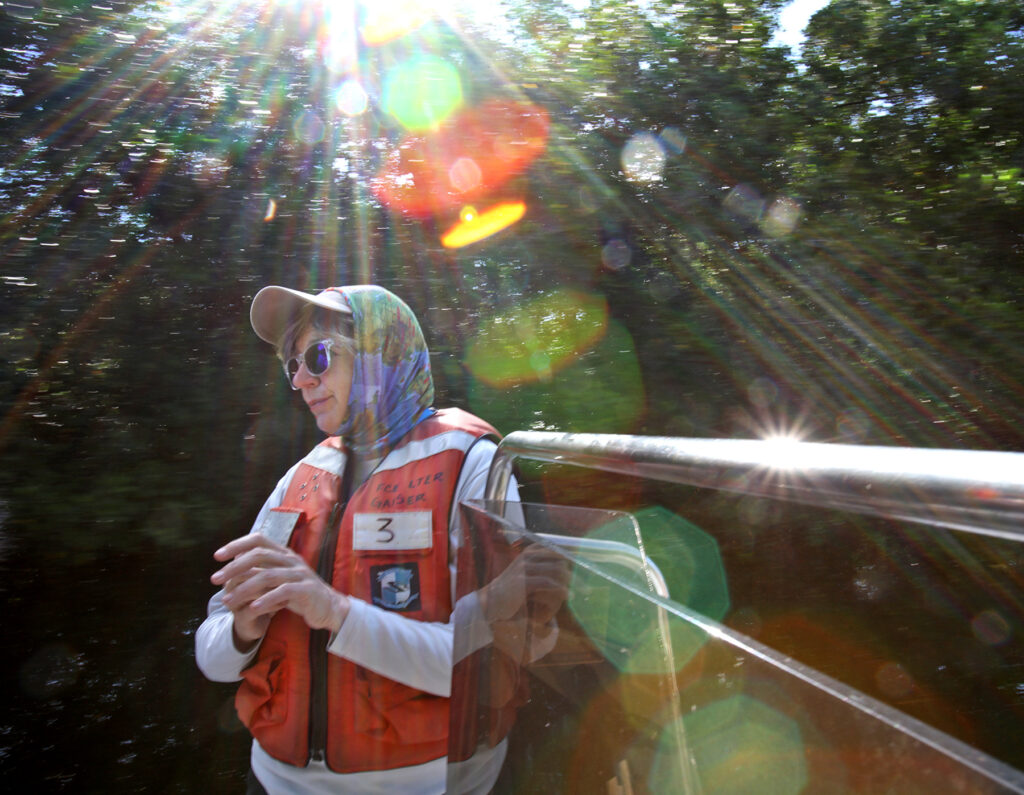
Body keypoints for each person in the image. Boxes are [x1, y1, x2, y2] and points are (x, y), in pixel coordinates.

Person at [195, 284, 518, 794]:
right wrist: (242, 627)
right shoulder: (298, 477)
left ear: (379, 352)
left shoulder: (472, 465)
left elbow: (487, 667)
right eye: (291, 365)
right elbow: (211, 656)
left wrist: (332, 611)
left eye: (318, 357)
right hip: (273, 780)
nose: (300, 380)